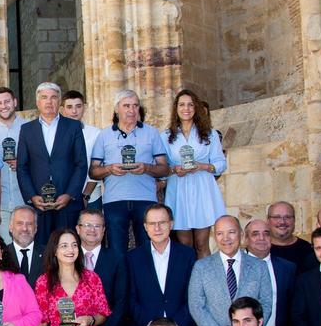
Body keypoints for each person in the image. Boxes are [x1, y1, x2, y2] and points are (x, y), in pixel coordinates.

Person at [89, 89, 170, 259]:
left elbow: (164, 168)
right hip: (114, 201)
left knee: (147, 251)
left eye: (135, 106)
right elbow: (94, 171)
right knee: (117, 253)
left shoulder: (151, 133)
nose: (131, 110)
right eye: (126, 106)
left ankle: (145, 285)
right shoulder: (104, 136)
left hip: (145, 200)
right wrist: (109, 169)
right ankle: (121, 286)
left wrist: (146, 168)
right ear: (117, 109)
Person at [187, 216, 273, 326]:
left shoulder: (259, 267)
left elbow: (266, 303)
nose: (225, 238)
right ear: (214, 236)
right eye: (220, 233)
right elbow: (196, 306)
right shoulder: (201, 267)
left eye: (231, 232)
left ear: (241, 234)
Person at [16, 82, 88, 246]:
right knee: (41, 250)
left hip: (67, 202)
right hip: (39, 204)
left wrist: (70, 194)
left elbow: (81, 164)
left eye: (53, 97)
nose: (49, 101)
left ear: (59, 101)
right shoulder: (27, 129)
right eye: (44, 97)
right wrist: (32, 196)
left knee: (68, 247)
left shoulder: (73, 126)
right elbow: (22, 167)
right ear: (37, 102)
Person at [163, 90, 227, 257]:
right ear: (176, 108)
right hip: (178, 189)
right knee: (184, 244)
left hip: (202, 188)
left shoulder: (209, 134)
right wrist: (173, 170)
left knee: (201, 243)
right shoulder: (166, 136)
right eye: (182, 104)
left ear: (196, 108)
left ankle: (204, 282)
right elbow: (162, 167)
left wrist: (203, 166)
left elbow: (221, 163)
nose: (186, 108)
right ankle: (186, 282)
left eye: (191, 105)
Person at [126, 204, 197, 326]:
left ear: (171, 224)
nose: (157, 228)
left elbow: (193, 296)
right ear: (145, 227)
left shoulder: (188, 255)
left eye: (162, 223)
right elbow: (130, 298)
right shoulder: (133, 258)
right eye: (152, 223)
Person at [243, 218, 296, 326]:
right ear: (246, 239)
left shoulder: (287, 268)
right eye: (255, 234)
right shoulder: (235, 266)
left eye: (266, 234)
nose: (261, 238)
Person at [0, 87, 26, 231]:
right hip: (0, 205)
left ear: (15, 102)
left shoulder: (30, 128)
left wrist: (22, 163)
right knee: (4, 250)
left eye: (7, 102)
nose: (3, 106)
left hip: (25, 201)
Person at [60, 89, 103, 210]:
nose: (74, 111)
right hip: (63, 197)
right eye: (69, 107)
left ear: (84, 108)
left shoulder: (95, 134)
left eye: (78, 106)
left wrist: (85, 195)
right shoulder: (56, 135)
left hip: (91, 196)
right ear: (62, 109)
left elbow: (96, 167)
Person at [266, 201, 316, 273]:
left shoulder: (307, 250)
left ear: (294, 220)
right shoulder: (261, 250)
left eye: (287, 217)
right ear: (268, 221)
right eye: (277, 217)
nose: (282, 222)